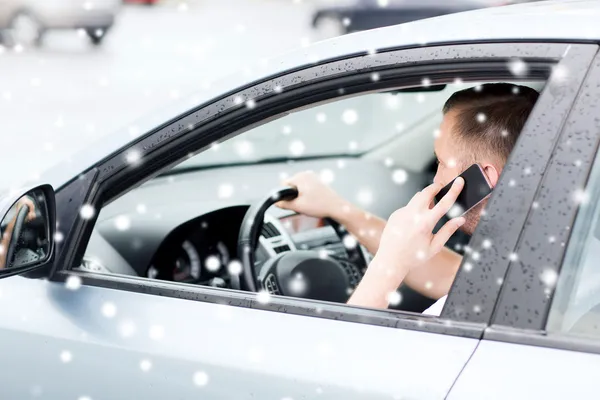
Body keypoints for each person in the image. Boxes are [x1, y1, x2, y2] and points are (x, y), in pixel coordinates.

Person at [276, 83, 540, 314]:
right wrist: (341, 210)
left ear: (485, 177)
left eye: (441, 162)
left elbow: (342, 360)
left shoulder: (470, 315)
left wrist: (388, 263)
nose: (436, 180)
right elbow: (455, 276)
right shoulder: (537, 262)